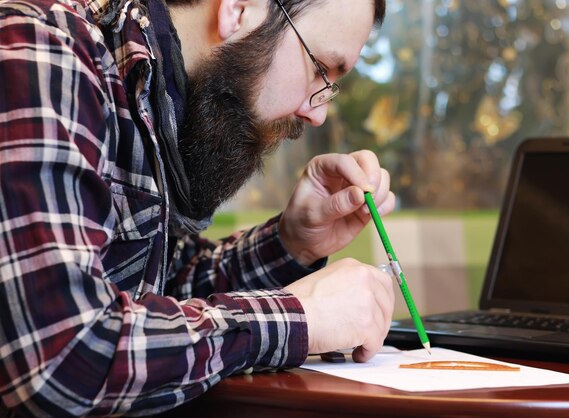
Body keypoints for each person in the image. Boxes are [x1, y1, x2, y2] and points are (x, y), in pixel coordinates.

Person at [0, 0, 395, 415]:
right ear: (239, 9)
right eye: (320, 68)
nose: (318, 114)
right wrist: (300, 317)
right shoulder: (43, 49)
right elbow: (62, 356)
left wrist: (292, 243)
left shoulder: (155, 96)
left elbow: (153, 300)